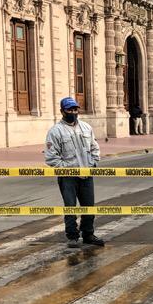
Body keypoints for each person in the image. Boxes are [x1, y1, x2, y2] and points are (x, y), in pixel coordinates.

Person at [44, 97, 105, 248]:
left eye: (75, 109)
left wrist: (92, 164)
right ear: (62, 111)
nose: (73, 112)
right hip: (68, 177)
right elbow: (51, 157)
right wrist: (67, 168)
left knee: (88, 206)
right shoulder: (55, 131)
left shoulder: (86, 127)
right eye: (69, 110)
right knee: (70, 207)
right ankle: (72, 236)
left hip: (86, 173)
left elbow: (94, 148)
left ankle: (88, 234)